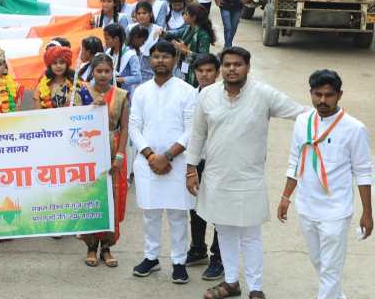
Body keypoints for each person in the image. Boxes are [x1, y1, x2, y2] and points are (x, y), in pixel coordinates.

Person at [187, 47, 306, 299]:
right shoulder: (207, 95)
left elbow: (301, 113)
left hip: (249, 179)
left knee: (250, 236)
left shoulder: (263, 94)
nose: (232, 69)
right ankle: (231, 282)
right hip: (217, 177)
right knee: (225, 232)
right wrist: (190, 168)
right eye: (227, 64)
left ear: (248, 67)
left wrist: (333, 118)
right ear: (221, 69)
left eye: (237, 64)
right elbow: (197, 134)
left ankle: (256, 288)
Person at [278, 69, 372, 299]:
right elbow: (295, 159)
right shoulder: (303, 121)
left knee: (331, 269)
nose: (322, 100)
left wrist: (367, 213)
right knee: (320, 262)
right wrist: (285, 197)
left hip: (336, 210)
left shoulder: (354, 128)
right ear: (310, 93)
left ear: (339, 95)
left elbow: (363, 173)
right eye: (317, 94)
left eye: (328, 95)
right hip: (307, 206)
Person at [129, 41, 197, 285]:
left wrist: (166, 156)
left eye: (165, 57)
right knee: (151, 213)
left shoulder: (187, 91)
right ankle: (151, 257)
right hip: (148, 164)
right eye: (156, 57)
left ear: (175, 60)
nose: (160, 61)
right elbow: (134, 127)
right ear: (150, 60)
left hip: (177, 163)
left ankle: (179, 262)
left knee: (178, 215)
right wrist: (150, 156)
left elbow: (191, 130)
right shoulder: (142, 91)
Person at [78, 54, 130, 268]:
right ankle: (91, 246)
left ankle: (107, 247)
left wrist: (119, 155)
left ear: (112, 72)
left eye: (107, 71)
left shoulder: (121, 95)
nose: (102, 75)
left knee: (112, 200)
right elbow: (73, 120)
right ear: (92, 71)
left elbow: (125, 127)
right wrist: (91, 108)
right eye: (98, 71)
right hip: (87, 150)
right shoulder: (82, 92)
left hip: (112, 147)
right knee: (91, 198)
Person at [183, 53, 224, 280]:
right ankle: (198, 248)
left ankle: (218, 257)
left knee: (217, 209)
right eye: (200, 71)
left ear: (217, 73)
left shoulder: (224, 97)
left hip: (218, 161)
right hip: (195, 160)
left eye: (209, 71)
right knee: (195, 206)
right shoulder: (191, 95)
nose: (204, 75)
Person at [171, 4, 215, 87]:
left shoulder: (203, 35)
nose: (183, 16)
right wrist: (162, 32)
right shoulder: (188, 28)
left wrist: (187, 52)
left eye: (186, 14)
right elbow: (175, 33)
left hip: (194, 70)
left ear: (193, 17)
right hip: (185, 65)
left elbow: (204, 57)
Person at [33, 43, 79, 109]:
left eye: (62, 62)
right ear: (50, 66)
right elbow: (38, 113)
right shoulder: (41, 86)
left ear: (67, 64)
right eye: (54, 63)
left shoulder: (76, 82)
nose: (58, 66)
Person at [103, 24, 142, 100]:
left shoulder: (131, 55)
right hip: (110, 93)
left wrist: (119, 79)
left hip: (125, 96)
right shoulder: (108, 52)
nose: (105, 42)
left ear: (116, 39)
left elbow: (138, 78)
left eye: (107, 39)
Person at [128, 2, 163, 82]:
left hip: (150, 73)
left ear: (150, 14)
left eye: (144, 13)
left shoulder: (158, 30)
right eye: (139, 13)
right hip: (132, 73)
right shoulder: (130, 28)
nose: (141, 16)